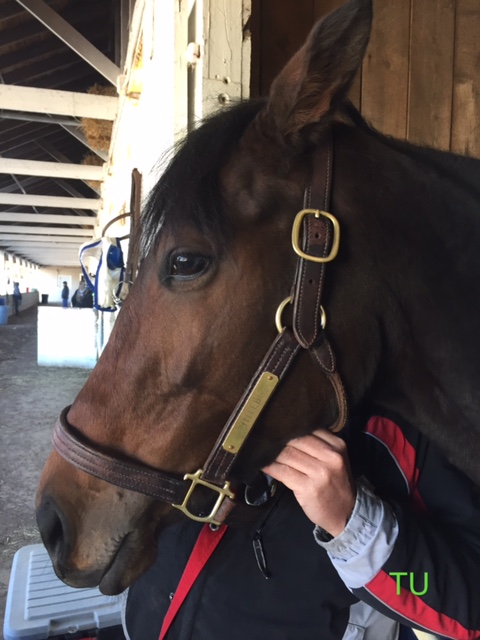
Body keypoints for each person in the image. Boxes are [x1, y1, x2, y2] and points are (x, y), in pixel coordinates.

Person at [124, 405, 480, 640]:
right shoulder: (210, 372)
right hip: (145, 622)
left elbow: (467, 609)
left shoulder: (404, 422)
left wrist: (353, 525)